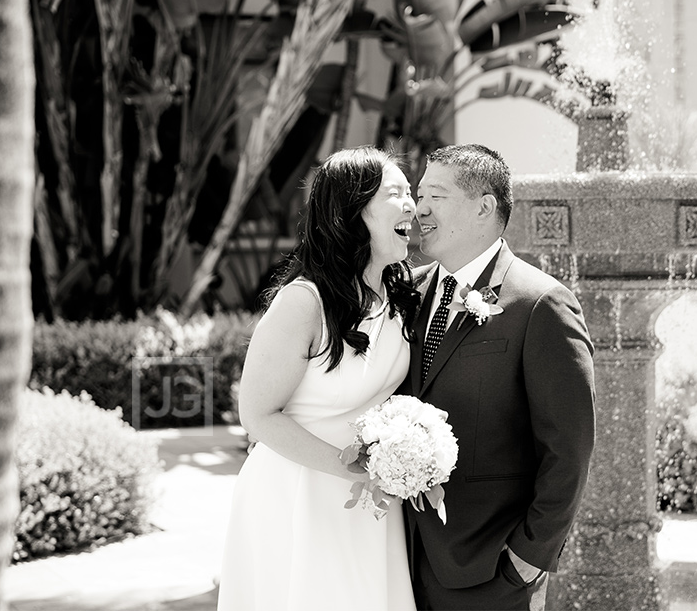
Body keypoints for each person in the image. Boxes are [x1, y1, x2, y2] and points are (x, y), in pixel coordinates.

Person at [217, 147, 420, 611]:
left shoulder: (398, 294)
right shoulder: (303, 303)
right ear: (354, 210)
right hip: (298, 493)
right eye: (396, 194)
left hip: (371, 501)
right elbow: (257, 415)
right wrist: (364, 470)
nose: (412, 205)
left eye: (411, 193)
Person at [404, 144, 595, 611]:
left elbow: (569, 448)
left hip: (492, 570)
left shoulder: (542, 304)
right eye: (417, 194)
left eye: (436, 196)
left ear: (484, 206)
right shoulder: (407, 292)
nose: (418, 208)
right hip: (400, 558)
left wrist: (528, 559)